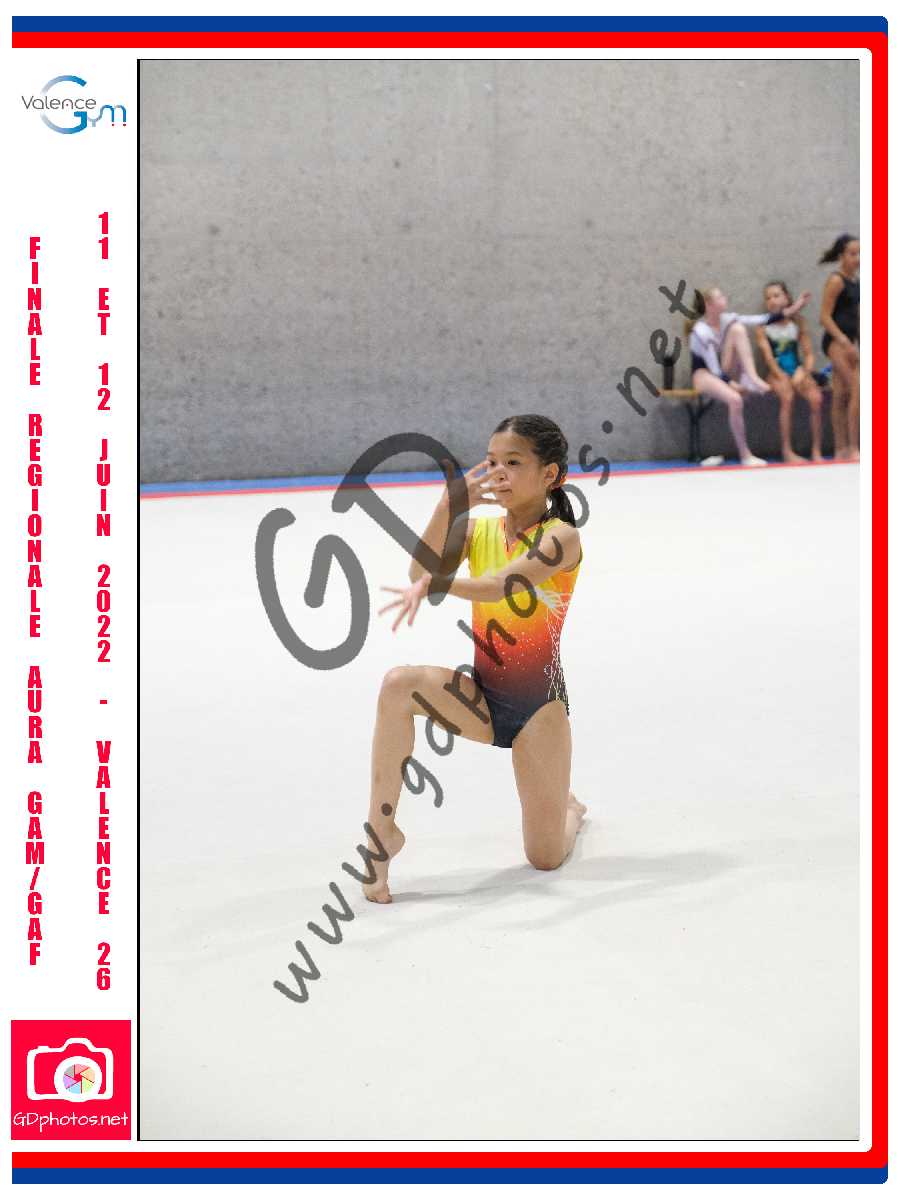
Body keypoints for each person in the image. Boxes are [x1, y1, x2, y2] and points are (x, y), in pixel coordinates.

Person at [364, 414, 586, 903]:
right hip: (483, 696)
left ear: (549, 474)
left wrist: (439, 583)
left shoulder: (561, 537)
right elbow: (419, 570)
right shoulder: (478, 531)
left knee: (545, 857)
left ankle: (568, 809)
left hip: (538, 710)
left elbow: (500, 585)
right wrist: (449, 504)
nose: (499, 473)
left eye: (514, 462)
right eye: (491, 462)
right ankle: (382, 835)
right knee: (398, 685)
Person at [688, 285, 811, 467]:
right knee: (736, 400)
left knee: (738, 328)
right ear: (709, 305)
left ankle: (752, 377)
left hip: (722, 371)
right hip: (703, 375)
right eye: (720, 297)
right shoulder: (701, 331)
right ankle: (745, 455)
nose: (724, 299)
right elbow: (714, 369)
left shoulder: (726, 319)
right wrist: (733, 385)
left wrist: (794, 308)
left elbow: (761, 319)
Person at [755, 281, 824, 463]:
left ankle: (816, 450)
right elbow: (768, 358)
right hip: (776, 373)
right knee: (787, 397)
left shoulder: (798, 322)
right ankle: (787, 451)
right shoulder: (763, 326)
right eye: (768, 298)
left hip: (797, 370)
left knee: (816, 399)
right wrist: (780, 374)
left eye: (776, 295)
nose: (772, 300)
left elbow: (808, 354)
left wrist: (804, 372)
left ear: (786, 298)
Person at [819, 234, 860, 462]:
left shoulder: (856, 282)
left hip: (849, 340)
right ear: (842, 256)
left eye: (860, 254)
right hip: (836, 341)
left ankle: (840, 449)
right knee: (857, 390)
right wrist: (844, 341)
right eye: (853, 254)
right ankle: (853, 447)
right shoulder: (836, 280)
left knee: (841, 393)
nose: (858, 258)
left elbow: (858, 317)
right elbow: (824, 317)